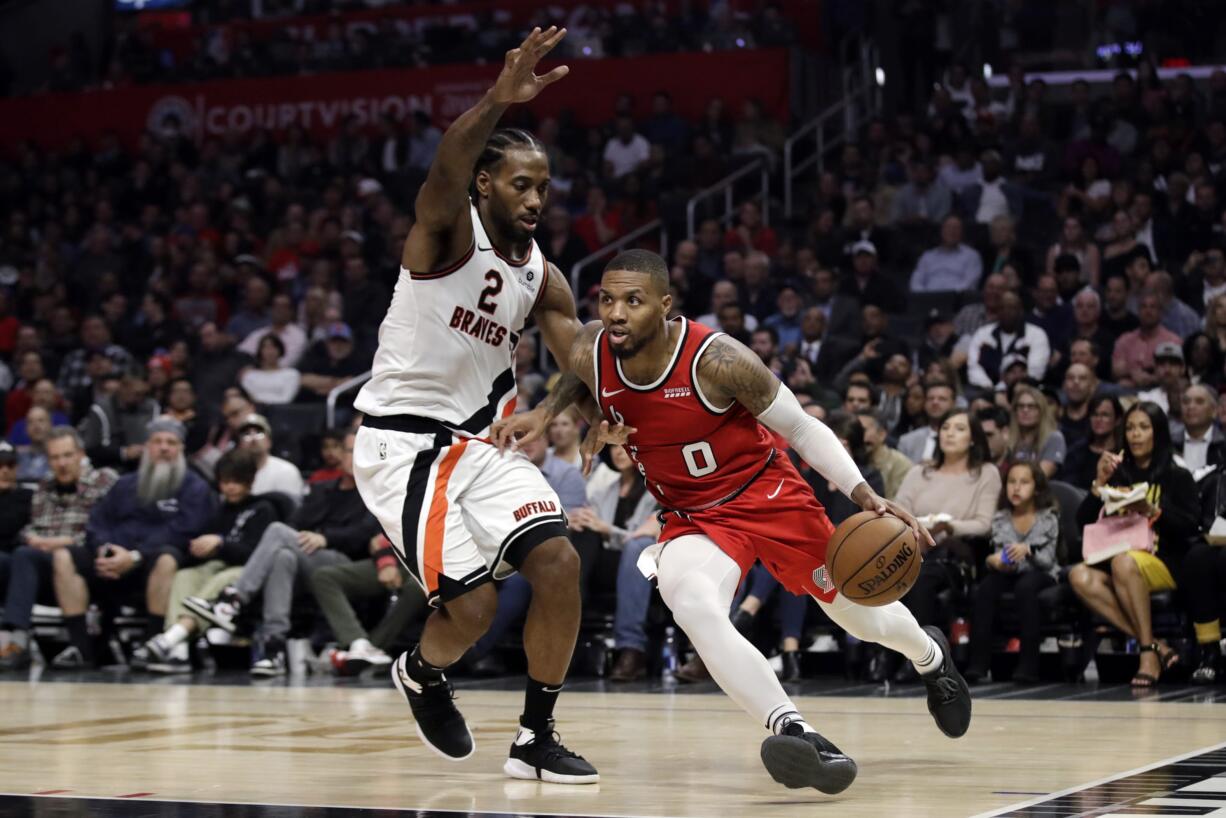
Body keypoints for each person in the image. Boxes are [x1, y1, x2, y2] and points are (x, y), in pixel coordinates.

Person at [496, 248, 970, 795]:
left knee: (861, 615)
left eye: (633, 301)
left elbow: (803, 428)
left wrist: (866, 495)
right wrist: (546, 412)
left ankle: (929, 656)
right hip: (690, 514)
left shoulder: (717, 359)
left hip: (768, 494)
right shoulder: (594, 347)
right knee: (693, 604)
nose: (617, 313)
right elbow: (580, 374)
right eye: (606, 300)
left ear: (666, 306)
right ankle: (797, 732)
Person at [345, 29, 598, 784]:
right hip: (403, 448)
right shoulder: (445, 231)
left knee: (557, 562)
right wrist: (497, 100)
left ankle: (535, 736)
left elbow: (577, 360)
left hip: (481, 449)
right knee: (476, 610)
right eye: (520, 184)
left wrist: (565, 402)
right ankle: (422, 673)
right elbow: (445, 169)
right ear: (486, 186)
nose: (535, 199)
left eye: (544, 187)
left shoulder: (542, 278)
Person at [185, 431, 379, 675]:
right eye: (349, 450)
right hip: (304, 556)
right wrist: (304, 537)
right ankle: (273, 647)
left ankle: (233, 600)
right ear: (340, 454)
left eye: (359, 451)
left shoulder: (375, 493)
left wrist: (325, 537)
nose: (353, 456)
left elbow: (365, 534)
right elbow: (296, 522)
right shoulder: (322, 489)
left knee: (277, 531)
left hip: (344, 562)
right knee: (282, 556)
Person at [51, 418, 214, 668]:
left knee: (167, 558)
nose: (163, 448)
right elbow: (98, 521)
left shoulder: (195, 488)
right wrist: (106, 550)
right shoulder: (124, 484)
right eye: (157, 441)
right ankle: (81, 647)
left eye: (171, 443)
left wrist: (135, 556)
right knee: (64, 556)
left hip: (154, 566)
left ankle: (151, 646)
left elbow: (184, 532)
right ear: (147, 447)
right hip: (113, 562)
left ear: (181, 449)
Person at [1072, 402, 1199, 688]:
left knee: (1124, 561)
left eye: (1143, 427)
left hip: (1164, 561)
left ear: (1159, 432)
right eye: (1130, 428)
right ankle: (1156, 646)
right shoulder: (1118, 474)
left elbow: (1191, 526)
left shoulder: (1176, 474)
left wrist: (1151, 510)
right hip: (1117, 561)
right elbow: (1082, 522)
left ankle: (1146, 655)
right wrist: (1098, 484)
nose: (1135, 435)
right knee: (1078, 575)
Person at [140, 448, 278, 673]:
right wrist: (199, 548)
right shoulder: (219, 510)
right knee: (185, 576)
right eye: (225, 481)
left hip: (248, 571)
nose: (230, 487)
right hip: (217, 565)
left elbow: (255, 553)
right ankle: (180, 653)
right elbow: (204, 547)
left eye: (237, 481)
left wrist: (221, 543)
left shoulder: (264, 509)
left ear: (250, 481)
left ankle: (174, 637)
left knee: (222, 578)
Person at [890, 410, 1001, 673]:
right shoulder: (920, 472)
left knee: (922, 576)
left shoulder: (986, 473)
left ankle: (920, 657)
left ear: (974, 438)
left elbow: (984, 524)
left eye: (960, 428)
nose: (950, 433)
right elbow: (897, 511)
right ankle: (884, 656)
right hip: (914, 545)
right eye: (946, 427)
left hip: (958, 553)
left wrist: (949, 526)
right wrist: (920, 528)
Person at [965, 461, 1060, 684]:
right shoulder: (1000, 519)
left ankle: (1028, 665)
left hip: (1040, 573)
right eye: (1012, 482)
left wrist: (1028, 551)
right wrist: (997, 562)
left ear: (1037, 488)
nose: (1016, 488)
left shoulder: (1048, 518)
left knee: (1026, 587)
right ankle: (978, 664)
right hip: (1010, 573)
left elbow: (1048, 561)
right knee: (986, 588)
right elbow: (999, 555)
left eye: (1024, 482)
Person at [312, 534, 427, 676]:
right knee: (324, 577)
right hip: (403, 558)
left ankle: (372, 647)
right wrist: (386, 563)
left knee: (417, 587)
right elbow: (379, 539)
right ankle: (358, 643)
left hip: (439, 563)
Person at [1060, 396, 1125, 491]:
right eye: (1094, 414)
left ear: (1117, 420)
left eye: (1105, 415)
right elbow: (1066, 489)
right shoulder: (1076, 451)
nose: (1098, 419)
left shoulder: (1123, 454)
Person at [236, 414, 305, 502]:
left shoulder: (286, 471)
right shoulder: (233, 473)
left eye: (258, 432)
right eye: (246, 434)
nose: (253, 438)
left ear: (269, 441)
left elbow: (292, 510)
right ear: (240, 444)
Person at [1008, 384, 1067, 478]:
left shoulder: (1054, 438)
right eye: (1020, 406)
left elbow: (1041, 477)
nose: (1025, 410)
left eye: (1031, 406)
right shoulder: (1008, 438)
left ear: (1041, 410)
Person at [898, 380, 956, 463]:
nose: (935, 402)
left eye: (942, 399)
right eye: (930, 399)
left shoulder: (965, 439)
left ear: (953, 403)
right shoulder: (907, 441)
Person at [240, 334, 300, 405]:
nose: (270, 351)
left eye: (273, 347)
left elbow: (286, 399)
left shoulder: (291, 374)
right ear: (260, 351)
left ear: (280, 350)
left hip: (280, 412)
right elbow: (247, 399)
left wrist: (258, 400)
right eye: (265, 347)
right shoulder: (249, 375)